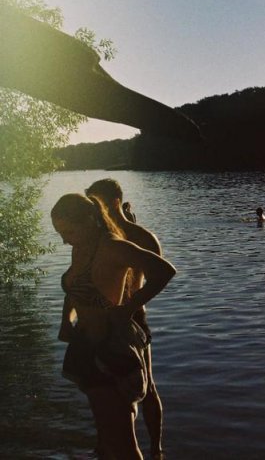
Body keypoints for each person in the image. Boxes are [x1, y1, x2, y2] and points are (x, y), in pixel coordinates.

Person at [52, 193, 175, 460]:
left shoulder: (112, 247)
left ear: (89, 220)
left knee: (122, 444)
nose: (64, 239)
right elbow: (74, 289)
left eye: (68, 231)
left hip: (111, 351)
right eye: (60, 233)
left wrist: (128, 308)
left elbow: (164, 271)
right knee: (109, 440)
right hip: (86, 347)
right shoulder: (81, 247)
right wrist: (66, 321)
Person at [86, 178, 166, 459]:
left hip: (133, 322)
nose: (96, 210)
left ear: (115, 202)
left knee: (147, 387)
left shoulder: (142, 237)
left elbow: (159, 277)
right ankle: (108, 443)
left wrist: (129, 307)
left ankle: (155, 449)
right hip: (102, 324)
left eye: (100, 202)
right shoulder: (95, 238)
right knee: (109, 389)